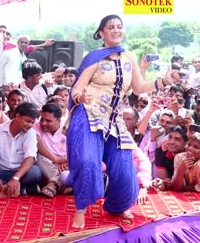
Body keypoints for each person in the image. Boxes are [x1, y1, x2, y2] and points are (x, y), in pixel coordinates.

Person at [66, 14, 181, 229]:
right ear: (101, 32)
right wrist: (81, 97)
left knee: (124, 169)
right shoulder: (94, 57)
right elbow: (78, 88)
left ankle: (118, 206)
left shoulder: (128, 57)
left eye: (120, 26)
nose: (117, 30)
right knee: (87, 162)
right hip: (89, 116)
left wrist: (165, 80)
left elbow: (139, 88)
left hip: (114, 122)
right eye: (111, 27)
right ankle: (80, 209)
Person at [0, 102, 43, 197]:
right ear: (18, 116)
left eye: (32, 122)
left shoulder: (30, 133)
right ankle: (21, 189)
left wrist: (15, 178)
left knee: (35, 172)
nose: (30, 125)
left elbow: (30, 158)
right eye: (27, 121)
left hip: (20, 173)